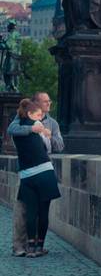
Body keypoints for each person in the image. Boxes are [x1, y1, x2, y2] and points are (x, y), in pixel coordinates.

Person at [7, 92, 63, 257]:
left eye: (49, 101)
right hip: (29, 170)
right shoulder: (22, 117)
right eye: (45, 102)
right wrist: (32, 128)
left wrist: (48, 135)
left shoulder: (52, 123)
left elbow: (59, 146)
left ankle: (35, 245)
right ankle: (20, 246)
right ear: (35, 104)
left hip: (43, 166)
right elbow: (11, 129)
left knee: (40, 211)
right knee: (23, 211)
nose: (48, 104)